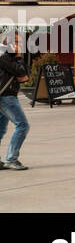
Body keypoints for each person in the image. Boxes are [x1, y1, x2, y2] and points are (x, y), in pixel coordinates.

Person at [0, 37, 29, 170]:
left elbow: (24, 77)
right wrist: (18, 59)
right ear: (9, 43)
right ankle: (11, 159)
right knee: (22, 125)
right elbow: (20, 72)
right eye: (18, 42)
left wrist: (18, 60)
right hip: (6, 97)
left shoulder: (12, 59)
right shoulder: (3, 57)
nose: (21, 44)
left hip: (7, 96)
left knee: (0, 129)